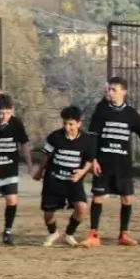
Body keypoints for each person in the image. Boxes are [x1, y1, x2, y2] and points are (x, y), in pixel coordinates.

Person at [85, 76, 140, 247]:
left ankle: (123, 234)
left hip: (122, 164)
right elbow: (92, 137)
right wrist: (92, 160)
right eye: (108, 89)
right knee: (98, 196)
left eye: (113, 90)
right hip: (103, 162)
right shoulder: (101, 110)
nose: (110, 92)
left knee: (127, 199)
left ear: (124, 91)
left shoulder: (131, 113)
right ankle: (94, 234)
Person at [33, 106, 95, 247]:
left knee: (82, 208)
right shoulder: (55, 137)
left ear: (79, 123)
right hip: (53, 179)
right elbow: (46, 156)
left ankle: (69, 234)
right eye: (65, 123)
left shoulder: (87, 140)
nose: (67, 127)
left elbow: (89, 160)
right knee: (48, 213)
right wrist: (39, 171)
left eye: (71, 124)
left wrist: (81, 172)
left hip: (73, 181)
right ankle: (53, 232)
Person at [0, 94, 31, 247]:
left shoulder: (16, 123)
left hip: (10, 168)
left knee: (12, 200)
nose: (4, 116)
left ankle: (8, 232)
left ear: (12, 111)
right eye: (1, 113)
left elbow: (24, 144)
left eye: (8, 113)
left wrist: (29, 164)